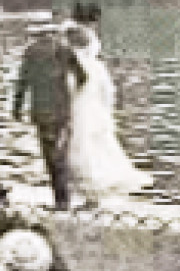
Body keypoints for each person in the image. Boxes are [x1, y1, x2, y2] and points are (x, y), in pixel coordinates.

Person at [64, 22, 152, 204]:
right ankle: (94, 195)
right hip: (96, 111)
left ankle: (89, 196)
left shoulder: (71, 65)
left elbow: (67, 90)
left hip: (79, 111)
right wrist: (107, 112)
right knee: (98, 149)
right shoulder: (97, 66)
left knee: (80, 150)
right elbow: (109, 92)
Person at [13, 22, 86, 210]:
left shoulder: (30, 52)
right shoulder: (64, 50)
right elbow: (82, 77)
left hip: (41, 112)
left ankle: (59, 199)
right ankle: (63, 199)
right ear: (51, 33)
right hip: (62, 110)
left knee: (49, 155)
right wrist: (72, 96)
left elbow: (22, 82)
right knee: (61, 155)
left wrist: (17, 108)